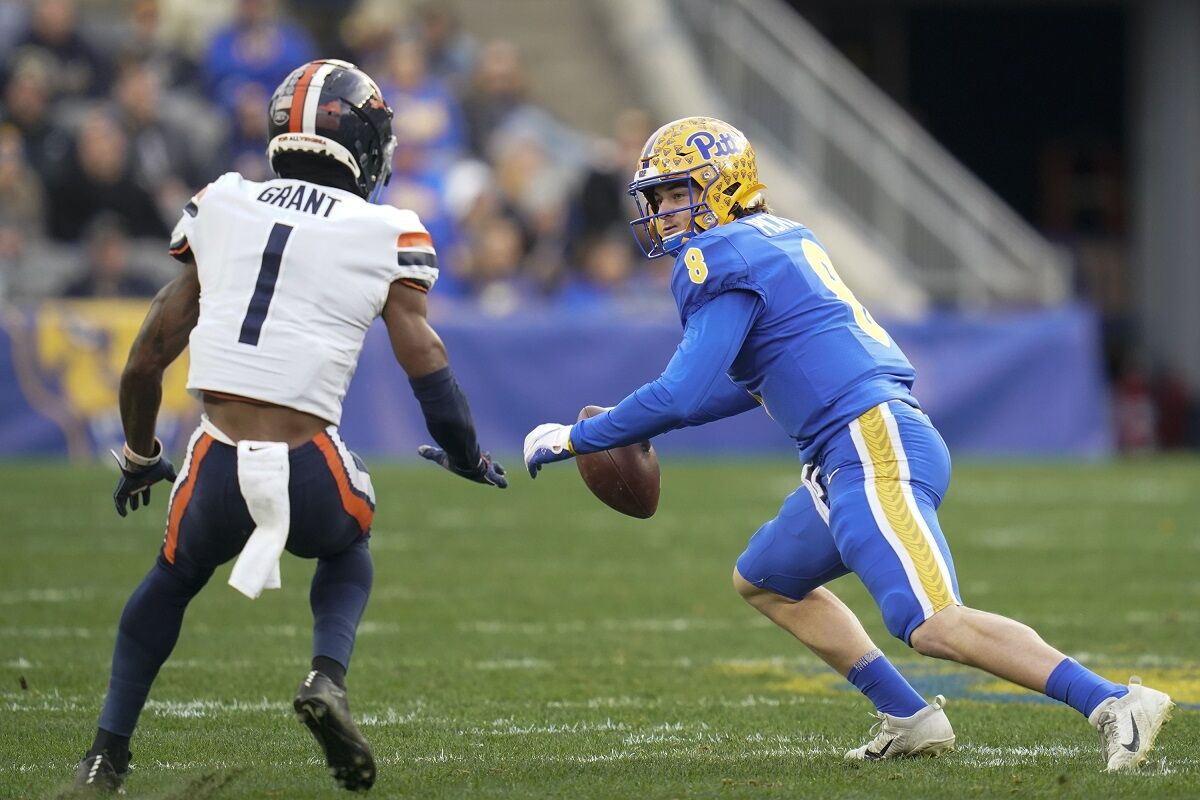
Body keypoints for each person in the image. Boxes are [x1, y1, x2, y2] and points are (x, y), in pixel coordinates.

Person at [523, 116, 1173, 771]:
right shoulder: (774, 239)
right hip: (852, 449)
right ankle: (909, 716)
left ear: (720, 185)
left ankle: (1114, 702)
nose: (661, 213)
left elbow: (681, 392)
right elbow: (745, 386)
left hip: (870, 445)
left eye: (672, 195)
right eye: (656, 199)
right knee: (767, 580)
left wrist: (576, 439)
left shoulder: (717, 256)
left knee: (932, 622)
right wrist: (643, 424)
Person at [74, 58, 507, 794]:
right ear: (365, 142)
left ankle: (105, 755)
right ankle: (325, 675)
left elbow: (148, 355)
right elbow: (425, 359)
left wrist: (143, 454)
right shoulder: (386, 229)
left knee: (172, 577)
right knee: (349, 543)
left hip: (213, 457)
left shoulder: (226, 201)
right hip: (307, 463)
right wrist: (465, 450)